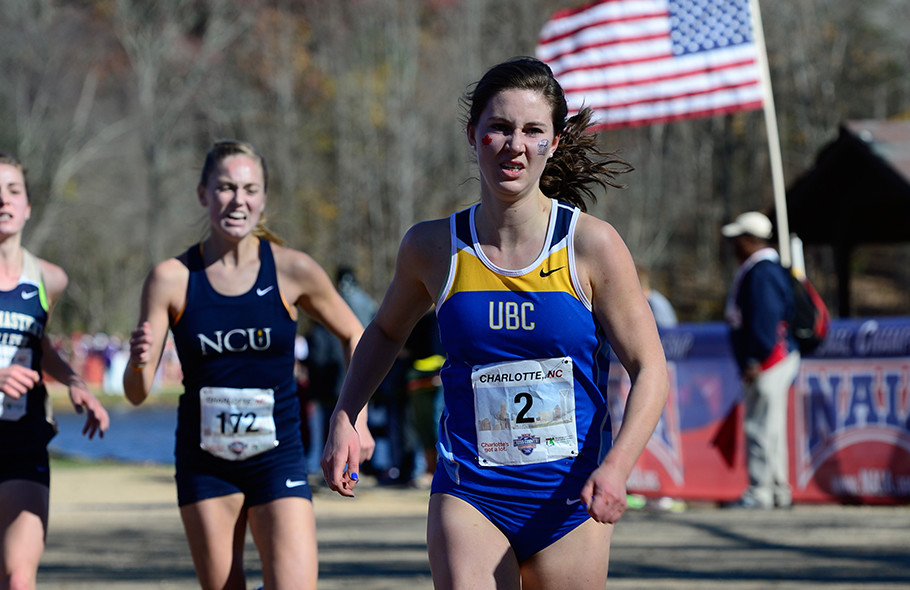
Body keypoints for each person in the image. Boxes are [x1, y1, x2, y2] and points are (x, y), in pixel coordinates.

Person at [322, 57, 669, 589]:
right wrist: (347, 414)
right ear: (473, 134)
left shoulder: (591, 245)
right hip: (471, 493)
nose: (515, 145)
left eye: (533, 131)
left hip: (568, 501)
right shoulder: (432, 247)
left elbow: (651, 369)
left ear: (553, 142)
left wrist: (618, 466)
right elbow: (387, 331)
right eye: (500, 128)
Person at [123, 140, 373, 590]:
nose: (237, 200)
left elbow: (357, 335)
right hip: (205, 462)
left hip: (278, 456)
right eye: (225, 187)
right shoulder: (171, 278)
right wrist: (138, 360)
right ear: (203, 193)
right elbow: (136, 393)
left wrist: (354, 420)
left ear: (263, 198)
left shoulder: (292, 270)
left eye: (249, 189)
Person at [0, 152, 110, 590]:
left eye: (13, 191)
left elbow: (38, 343)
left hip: (22, 437)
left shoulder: (48, 278)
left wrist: (75, 382)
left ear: (28, 206)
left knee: (18, 578)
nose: (3, 200)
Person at [721, 211, 800, 510]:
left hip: (768, 359)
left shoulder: (762, 271)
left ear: (751, 239)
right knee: (771, 426)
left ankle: (762, 490)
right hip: (775, 356)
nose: (734, 246)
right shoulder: (765, 267)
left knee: (760, 425)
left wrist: (754, 357)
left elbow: (766, 318)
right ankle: (778, 489)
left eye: (738, 239)